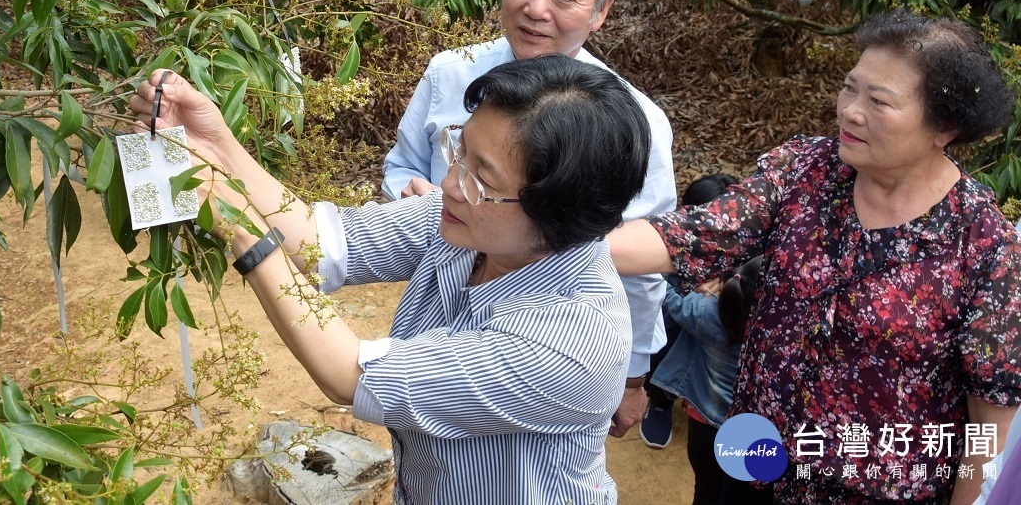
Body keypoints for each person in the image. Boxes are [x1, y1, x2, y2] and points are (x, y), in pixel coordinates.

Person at [131, 55, 652, 503]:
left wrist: (240, 232)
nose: (448, 183)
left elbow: (350, 375)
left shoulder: (573, 342)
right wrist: (216, 142)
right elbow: (318, 242)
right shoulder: (462, 223)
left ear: (557, 214)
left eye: (479, 177)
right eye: (459, 152)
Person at [607, 10, 1021, 503]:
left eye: (879, 101)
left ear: (945, 127)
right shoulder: (807, 169)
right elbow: (691, 235)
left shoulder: (984, 246)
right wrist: (549, 244)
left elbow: (990, 422)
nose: (851, 110)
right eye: (850, 88)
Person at [381, 0, 678, 432]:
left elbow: (643, 259)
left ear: (601, 11)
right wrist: (409, 196)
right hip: (435, 329)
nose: (536, 9)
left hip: (542, 362)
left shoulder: (637, 125)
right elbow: (401, 164)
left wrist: (633, 378)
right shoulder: (450, 72)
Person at [650, 257, 764, 505]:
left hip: (706, 428)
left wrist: (697, 280)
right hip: (758, 437)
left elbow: (664, 290)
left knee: (705, 491)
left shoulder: (705, 312)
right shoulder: (785, 337)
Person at [641, 173, 739, 449]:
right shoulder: (669, 240)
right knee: (667, 332)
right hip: (685, 310)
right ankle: (659, 400)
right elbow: (659, 287)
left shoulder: (744, 245)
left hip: (711, 315)